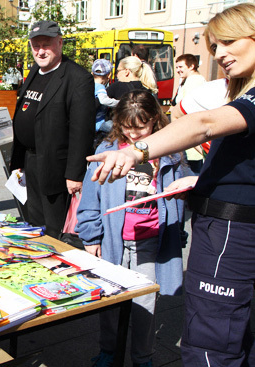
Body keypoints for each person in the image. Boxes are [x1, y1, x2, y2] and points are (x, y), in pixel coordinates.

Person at [86, 4, 255, 365]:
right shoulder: (240, 92)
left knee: (212, 341)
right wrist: (203, 179)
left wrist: (137, 152)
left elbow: (205, 123)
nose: (220, 54)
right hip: (215, 227)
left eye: (228, 42)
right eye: (214, 47)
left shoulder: (247, 101)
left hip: (229, 234)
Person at [76, 90, 186, 367]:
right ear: (118, 123)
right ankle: (109, 351)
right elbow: (90, 200)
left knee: (145, 305)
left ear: (154, 121)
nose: (134, 135)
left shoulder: (170, 153)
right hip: (113, 239)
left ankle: (142, 357)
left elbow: (186, 192)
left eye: (141, 127)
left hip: (150, 241)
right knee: (110, 302)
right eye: (127, 128)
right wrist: (91, 236)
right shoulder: (107, 150)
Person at [9, 20, 95, 238]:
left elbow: (81, 130)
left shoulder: (78, 78)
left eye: (46, 45)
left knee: (55, 229)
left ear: (60, 43)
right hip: (31, 162)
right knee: (33, 224)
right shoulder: (34, 72)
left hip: (56, 169)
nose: (40, 51)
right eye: (35, 45)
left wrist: (75, 175)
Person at [171, 54, 207, 174]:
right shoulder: (188, 80)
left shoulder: (194, 81)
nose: (178, 70)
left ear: (191, 66)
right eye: (176, 67)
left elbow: (191, 109)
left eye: (181, 66)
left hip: (190, 136)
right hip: (187, 135)